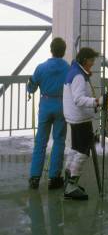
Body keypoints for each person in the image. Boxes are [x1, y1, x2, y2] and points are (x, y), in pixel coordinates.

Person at [27, 37, 69, 190]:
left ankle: (34, 177)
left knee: (41, 141)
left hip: (45, 105)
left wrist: (30, 86)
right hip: (61, 106)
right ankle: (54, 177)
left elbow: (31, 88)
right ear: (64, 51)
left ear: (51, 50)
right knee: (59, 141)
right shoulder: (68, 68)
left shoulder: (41, 67)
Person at [63, 47, 103, 200]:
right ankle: (72, 185)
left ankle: (68, 179)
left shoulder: (73, 72)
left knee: (75, 148)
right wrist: (96, 101)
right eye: (92, 60)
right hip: (80, 118)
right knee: (83, 151)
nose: (93, 63)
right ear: (85, 60)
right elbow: (79, 99)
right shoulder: (79, 76)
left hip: (74, 117)